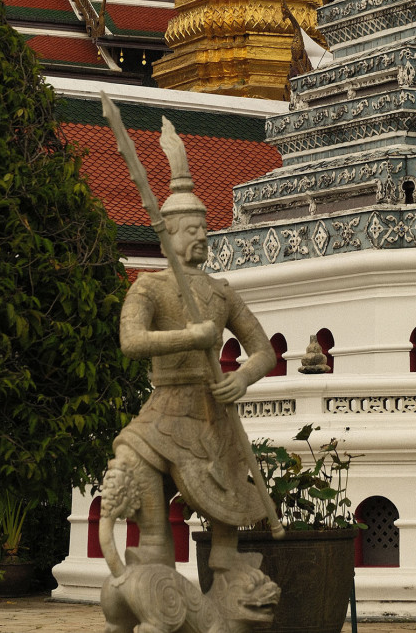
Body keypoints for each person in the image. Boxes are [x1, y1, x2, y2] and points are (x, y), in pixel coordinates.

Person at [102, 142, 276, 575]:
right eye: (190, 228)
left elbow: (264, 349)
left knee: (227, 522)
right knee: (136, 467)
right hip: (165, 405)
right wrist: (187, 337)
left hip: (212, 411)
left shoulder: (222, 292)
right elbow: (131, 341)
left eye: (203, 227)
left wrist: (243, 378)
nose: (200, 235)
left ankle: (226, 581)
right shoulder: (149, 287)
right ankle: (152, 578)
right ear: (168, 233)